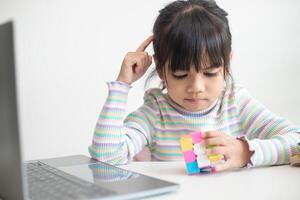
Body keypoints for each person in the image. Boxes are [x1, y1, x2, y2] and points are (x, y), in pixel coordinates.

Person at [88, 0, 300, 172]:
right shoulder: (155, 112)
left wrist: (245, 151)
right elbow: (107, 158)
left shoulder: (235, 103)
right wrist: (122, 84)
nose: (196, 87)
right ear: (162, 70)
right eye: (180, 75)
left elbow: (296, 141)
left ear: (226, 65)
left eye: (210, 73)